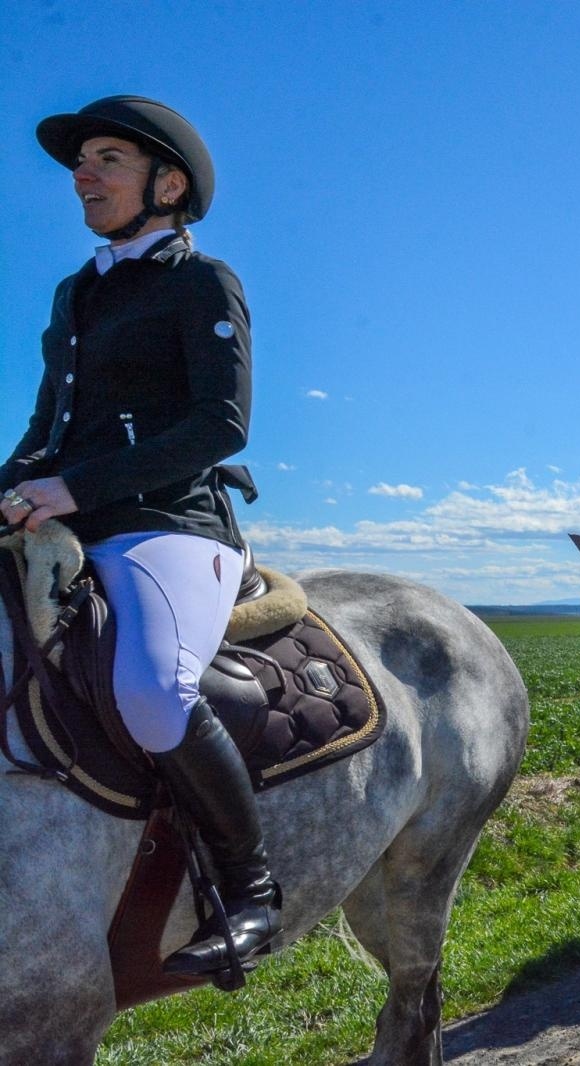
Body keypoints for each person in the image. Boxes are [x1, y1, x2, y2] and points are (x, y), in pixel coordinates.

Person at [1, 96, 277, 979]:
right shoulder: (74, 292)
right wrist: (13, 484)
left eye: (107, 158)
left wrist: (75, 486)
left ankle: (252, 891)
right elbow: (47, 427)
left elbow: (221, 426)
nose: (84, 174)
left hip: (168, 527)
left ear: (167, 184)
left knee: (155, 689)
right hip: (70, 517)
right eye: (82, 162)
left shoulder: (204, 283)